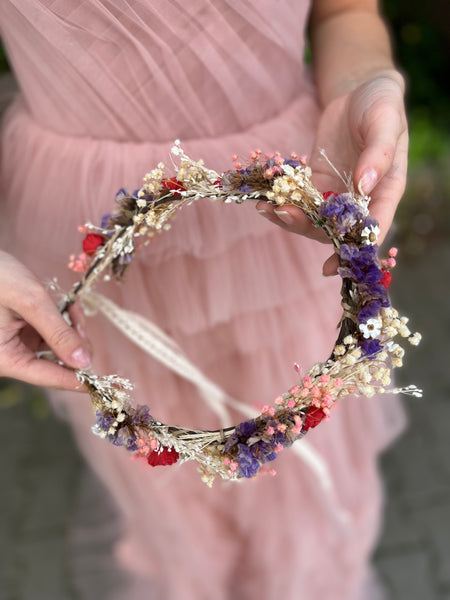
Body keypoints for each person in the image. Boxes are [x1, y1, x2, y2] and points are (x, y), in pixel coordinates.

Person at [0, 1, 407, 598]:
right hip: (82, 210)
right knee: (167, 489)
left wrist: (365, 83)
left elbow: (343, 10)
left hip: (288, 205)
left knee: (299, 481)